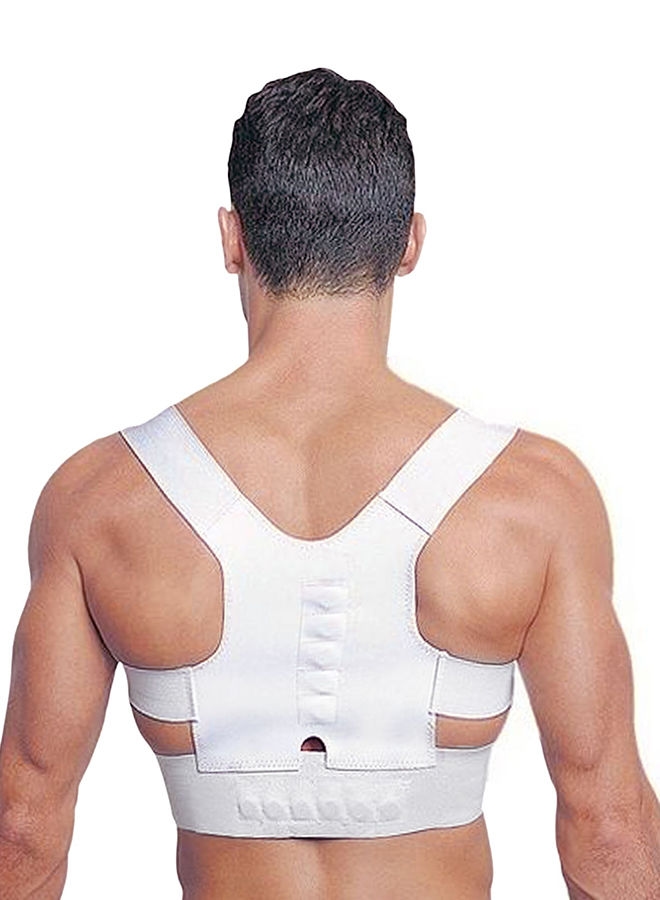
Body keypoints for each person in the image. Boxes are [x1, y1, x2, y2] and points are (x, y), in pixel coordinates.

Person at [0, 67, 658, 900]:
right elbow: (609, 827)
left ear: (232, 238)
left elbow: (23, 825)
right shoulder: (532, 498)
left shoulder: (100, 499)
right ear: (409, 243)